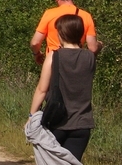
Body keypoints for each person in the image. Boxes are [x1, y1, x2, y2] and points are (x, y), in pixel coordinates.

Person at [26, 15, 96, 163]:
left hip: (57, 122)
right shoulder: (90, 57)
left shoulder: (54, 56)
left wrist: (32, 117)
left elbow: (42, 89)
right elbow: (96, 47)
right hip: (82, 124)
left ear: (61, 34)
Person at [30, 0, 101, 65]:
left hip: (54, 61)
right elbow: (92, 48)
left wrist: (37, 54)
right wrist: (100, 45)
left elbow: (35, 43)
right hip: (76, 62)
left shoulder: (49, 14)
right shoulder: (85, 16)